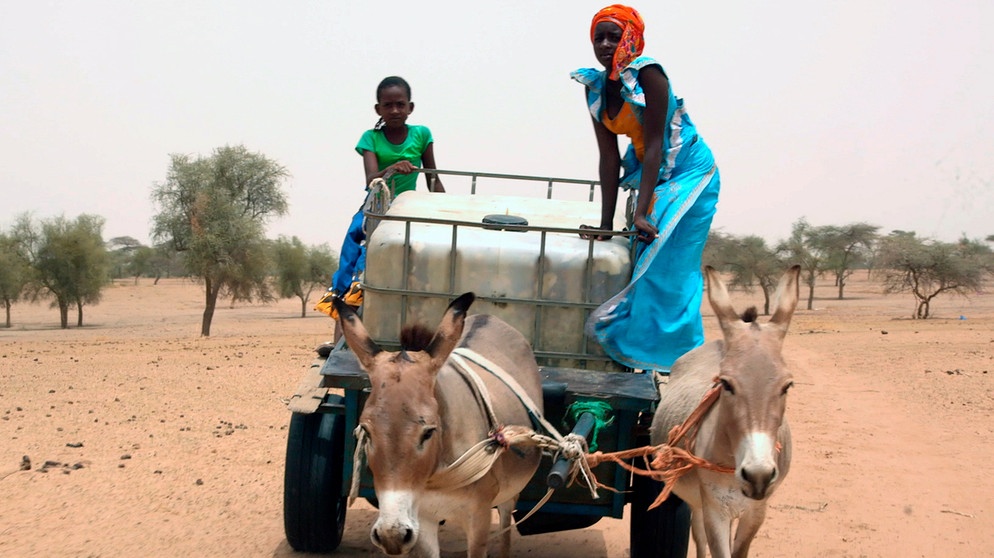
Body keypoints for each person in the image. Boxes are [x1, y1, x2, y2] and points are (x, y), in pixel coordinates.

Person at [572, 5, 721, 372]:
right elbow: (608, 159)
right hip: (656, 176)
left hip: (690, 174)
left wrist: (640, 212)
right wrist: (605, 226)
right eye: (598, 37)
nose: (606, 44)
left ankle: (686, 363)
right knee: (642, 259)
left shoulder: (649, 74)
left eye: (614, 36)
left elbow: (655, 143)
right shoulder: (595, 87)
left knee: (670, 266)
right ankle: (642, 355)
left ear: (632, 38)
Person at [320, 76, 444, 344]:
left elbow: (432, 177)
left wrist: (447, 208)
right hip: (376, 209)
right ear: (378, 109)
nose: (395, 110)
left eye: (400, 105)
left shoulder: (422, 135)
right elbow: (370, 180)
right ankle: (339, 342)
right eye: (388, 105)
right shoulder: (370, 139)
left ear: (410, 107)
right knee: (355, 264)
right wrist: (393, 168)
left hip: (408, 209)